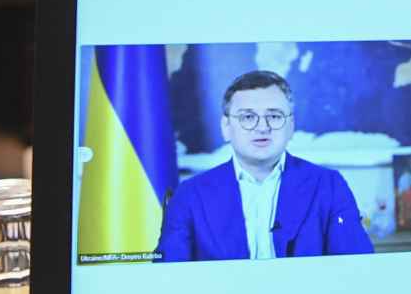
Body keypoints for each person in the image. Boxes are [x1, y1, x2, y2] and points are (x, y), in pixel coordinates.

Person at [156, 70, 374, 262]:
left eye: (274, 116)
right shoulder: (190, 194)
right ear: (226, 127)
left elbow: (358, 267)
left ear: (291, 126)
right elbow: (168, 277)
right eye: (248, 117)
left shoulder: (329, 186)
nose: (262, 127)